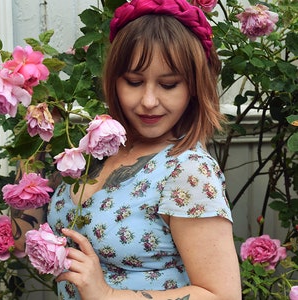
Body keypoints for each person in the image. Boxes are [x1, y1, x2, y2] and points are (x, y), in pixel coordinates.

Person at [13, 0, 242, 299]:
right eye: (134, 82)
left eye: (169, 84)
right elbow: (19, 243)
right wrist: (35, 138)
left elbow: (222, 295)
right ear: (114, 81)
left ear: (194, 87)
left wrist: (107, 295)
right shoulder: (92, 148)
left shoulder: (188, 170)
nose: (148, 100)